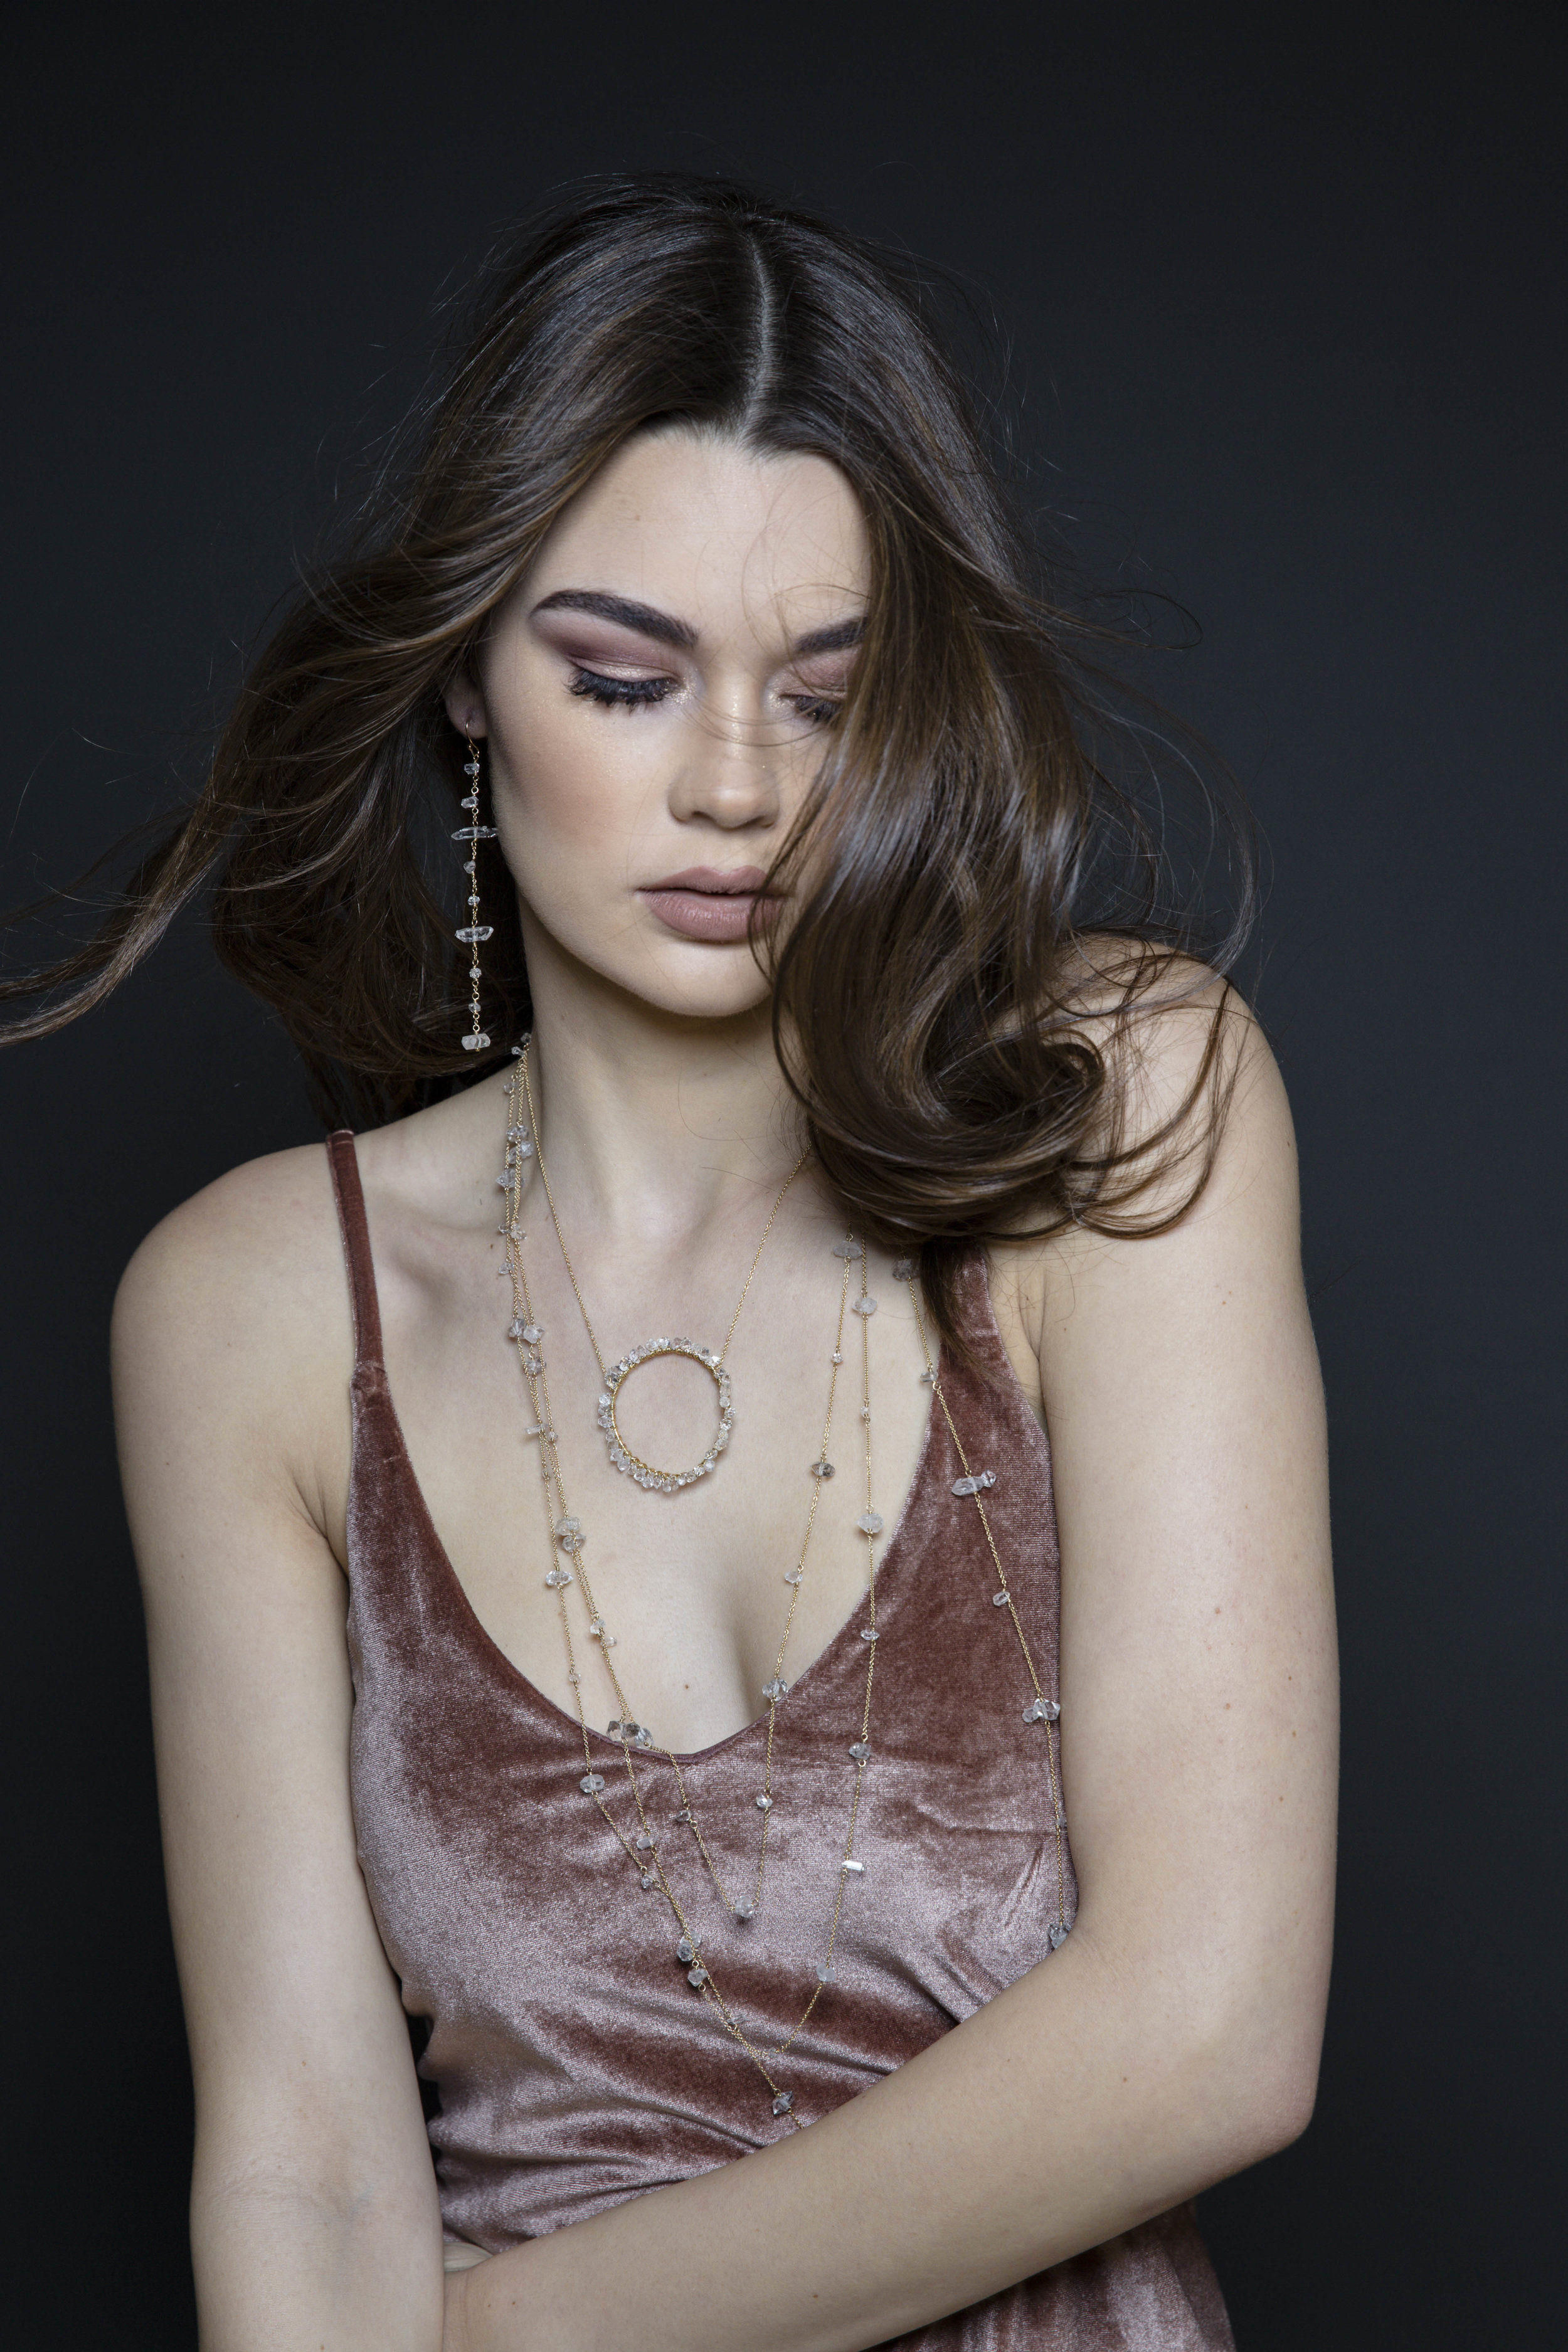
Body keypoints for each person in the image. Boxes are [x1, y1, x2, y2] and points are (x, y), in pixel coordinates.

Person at [26, 176, 1337, 2349]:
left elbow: (1207, 2027)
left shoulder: (1117, 1100)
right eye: (625, 679)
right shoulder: (249, 1314)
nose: (734, 786)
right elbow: (301, 2162)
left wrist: (512, 2334)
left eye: (827, 695)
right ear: (466, 676)